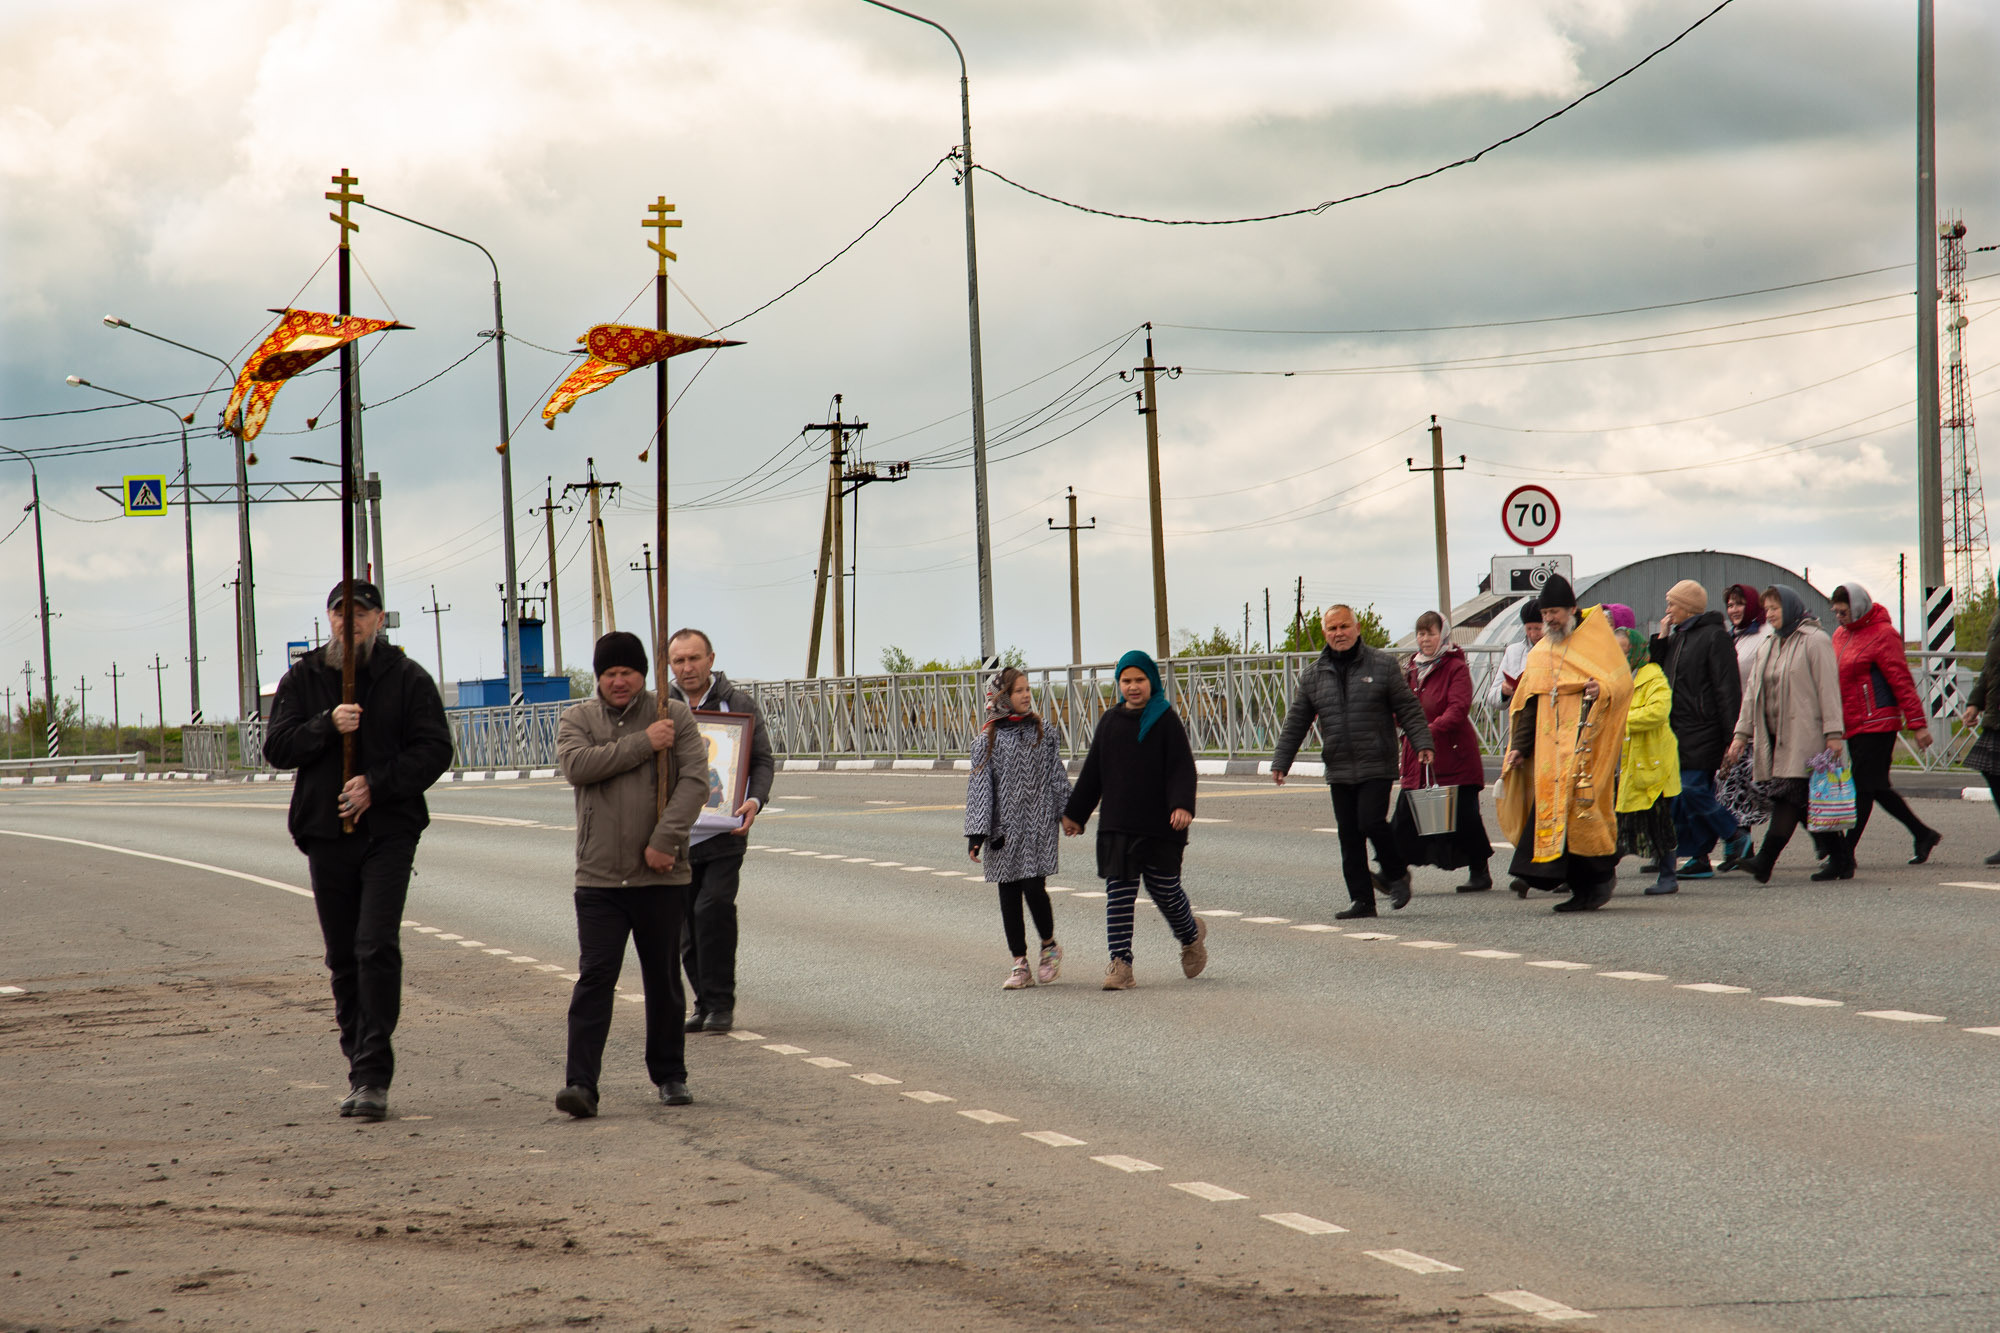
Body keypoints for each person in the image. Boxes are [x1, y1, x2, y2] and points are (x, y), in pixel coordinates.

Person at [263, 579, 454, 1122]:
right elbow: (276, 747)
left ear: (379, 620)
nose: (351, 623)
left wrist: (378, 784)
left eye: (362, 614)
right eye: (341, 614)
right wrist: (327, 724)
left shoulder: (406, 678)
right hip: (327, 834)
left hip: (389, 833)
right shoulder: (303, 678)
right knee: (343, 957)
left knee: (375, 946)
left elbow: (434, 750)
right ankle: (358, 1060)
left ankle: (372, 1074)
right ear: (328, 620)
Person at [553, 630, 710, 1116]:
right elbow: (578, 767)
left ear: (645, 674)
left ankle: (670, 1075)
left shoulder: (674, 715)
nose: (619, 681)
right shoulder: (576, 718)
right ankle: (581, 1084)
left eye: (628, 672)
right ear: (598, 677)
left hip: (661, 876)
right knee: (595, 978)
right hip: (599, 878)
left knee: (663, 979)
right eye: (609, 673)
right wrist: (645, 743)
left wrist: (665, 841)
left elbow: (695, 783)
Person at [1272, 604, 1434, 919]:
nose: (1339, 633)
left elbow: (1408, 708)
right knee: (1349, 835)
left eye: (1344, 626)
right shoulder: (1314, 674)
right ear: (1325, 633)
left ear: (1357, 628)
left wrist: (1422, 742)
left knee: (1370, 821)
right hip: (1339, 765)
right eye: (1332, 629)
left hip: (1376, 760)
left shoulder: (1382, 666)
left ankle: (1397, 872)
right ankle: (1362, 901)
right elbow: (1297, 721)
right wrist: (1282, 761)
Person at [1062, 650, 1209, 990]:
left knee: (1165, 891)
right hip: (1118, 826)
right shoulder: (1110, 723)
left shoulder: (1166, 720)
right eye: (1126, 681)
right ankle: (1121, 964)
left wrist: (1181, 805)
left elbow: (1181, 769)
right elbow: (1093, 774)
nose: (1133, 686)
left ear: (1152, 682)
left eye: (1139, 680)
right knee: (1119, 894)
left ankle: (1190, 935)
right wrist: (1075, 814)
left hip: (1161, 827)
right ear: (1119, 684)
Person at [1498, 574, 1634, 912]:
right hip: (1548, 752)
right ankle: (1577, 887)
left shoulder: (1597, 641)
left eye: (1555, 612)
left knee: (1582, 812)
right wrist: (1519, 745)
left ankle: (1598, 883)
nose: (1549, 620)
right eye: (1545, 614)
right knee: (1553, 814)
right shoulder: (1542, 650)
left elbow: (1621, 685)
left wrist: (1601, 690)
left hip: (1585, 744)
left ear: (1573, 608)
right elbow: (1529, 703)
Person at [666, 628, 774, 1035]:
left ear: (711, 659)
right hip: (675, 834)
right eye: (679, 661)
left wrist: (755, 801)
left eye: (694, 658)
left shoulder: (737, 704)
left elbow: (762, 760)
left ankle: (722, 1004)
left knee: (713, 910)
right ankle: (703, 1003)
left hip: (725, 832)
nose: (688, 668)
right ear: (670, 665)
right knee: (685, 925)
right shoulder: (661, 706)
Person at [1722, 587, 1846, 883]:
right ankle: (1842, 858)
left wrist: (1834, 733)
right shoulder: (1769, 644)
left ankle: (1765, 861)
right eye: (1768, 609)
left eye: (1776, 607)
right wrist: (1741, 735)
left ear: (1790, 607)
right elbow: (1752, 693)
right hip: (1776, 738)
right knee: (1804, 803)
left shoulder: (1814, 640)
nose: (1771, 614)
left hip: (1808, 737)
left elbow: (1828, 688)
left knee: (1786, 797)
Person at [966, 667, 1072, 988]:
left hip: (1038, 826)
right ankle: (1019, 963)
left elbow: (1056, 776)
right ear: (1001, 699)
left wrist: (1068, 812)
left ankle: (1049, 946)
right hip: (1003, 831)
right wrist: (977, 834)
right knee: (1008, 892)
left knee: (1033, 887)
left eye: (1028, 689)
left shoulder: (1044, 732)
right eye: (1018, 691)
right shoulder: (986, 741)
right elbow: (980, 789)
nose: (1027, 695)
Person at [1831, 585, 1940, 866]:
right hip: (1853, 722)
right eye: (1836, 612)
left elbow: (1901, 680)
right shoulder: (1841, 635)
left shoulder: (1883, 634)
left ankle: (1845, 852)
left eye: (1843, 612)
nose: (1839, 617)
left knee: (1864, 786)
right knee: (1875, 786)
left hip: (1878, 723)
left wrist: (1917, 724)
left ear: (1856, 607)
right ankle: (1923, 832)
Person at [1650, 579, 1750, 879]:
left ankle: (1734, 834)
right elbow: (1656, 674)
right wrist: (1662, 638)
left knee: (1692, 789)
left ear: (1688, 607)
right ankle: (1699, 857)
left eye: (1672, 604)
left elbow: (1727, 688)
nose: (1667, 610)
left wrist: (1732, 736)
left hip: (1704, 729)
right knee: (1681, 796)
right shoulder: (1679, 636)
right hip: (1678, 730)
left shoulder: (1713, 637)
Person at [1392, 611, 1494, 891]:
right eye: (1421, 634)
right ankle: (1393, 873)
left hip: (1454, 755)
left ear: (1444, 635)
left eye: (1431, 633)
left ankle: (1480, 872)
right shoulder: (1411, 669)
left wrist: (1427, 731)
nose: (1425, 640)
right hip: (1418, 756)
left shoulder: (1455, 667)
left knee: (1466, 818)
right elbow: (1402, 707)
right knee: (1404, 815)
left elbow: (1458, 708)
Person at [1615, 629, 1682, 895]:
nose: (1619, 656)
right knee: (1621, 822)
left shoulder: (1653, 676)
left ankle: (1668, 875)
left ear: (1636, 650)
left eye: (1624, 650)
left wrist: (1620, 718)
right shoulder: (1615, 678)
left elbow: (1657, 712)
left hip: (1654, 762)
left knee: (1659, 821)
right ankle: (1595, 873)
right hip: (1629, 763)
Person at [1715, 583, 1774, 841]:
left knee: (1768, 789)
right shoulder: (1733, 636)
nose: (1734, 609)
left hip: (1759, 722)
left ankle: (1822, 837)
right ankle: (1741, 847)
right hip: (1737, 723)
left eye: (1739, 603)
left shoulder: (1765, 634)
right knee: (1733, 786)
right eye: (1729, 605)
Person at [1960, 609, 2000, 865]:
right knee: (1992, 772)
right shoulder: (1998, 618)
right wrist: (1975, 702)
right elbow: (1990, 667)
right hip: (1996, 713)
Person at [1487, 598, 1543, 707]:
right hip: (1521, 716)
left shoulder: (1559, 650)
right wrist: (1503, 692)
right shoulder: (1513, 651)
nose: (1533, 634)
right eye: (1529, 629)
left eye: (1538, 628)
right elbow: (1491, 698)